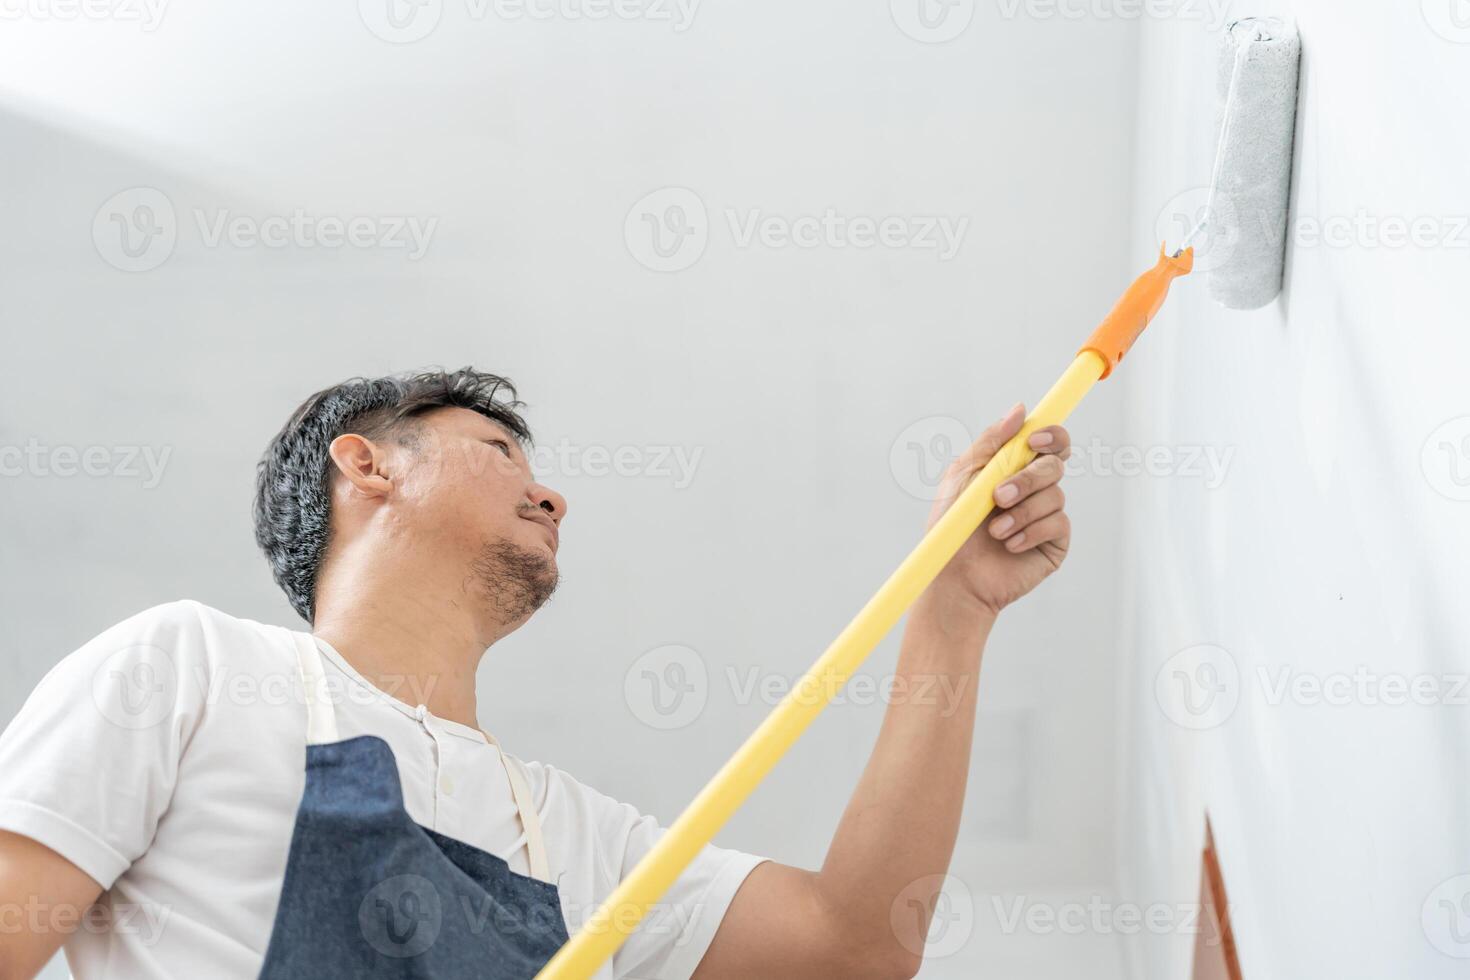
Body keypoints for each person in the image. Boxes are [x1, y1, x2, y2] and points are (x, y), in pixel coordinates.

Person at [0, 368, 1073, 979]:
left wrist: (953, 614)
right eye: (499, 450)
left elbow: (854, 945)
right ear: (366, 464)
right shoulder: (190, 666)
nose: (551, 495)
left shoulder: (577, 836)